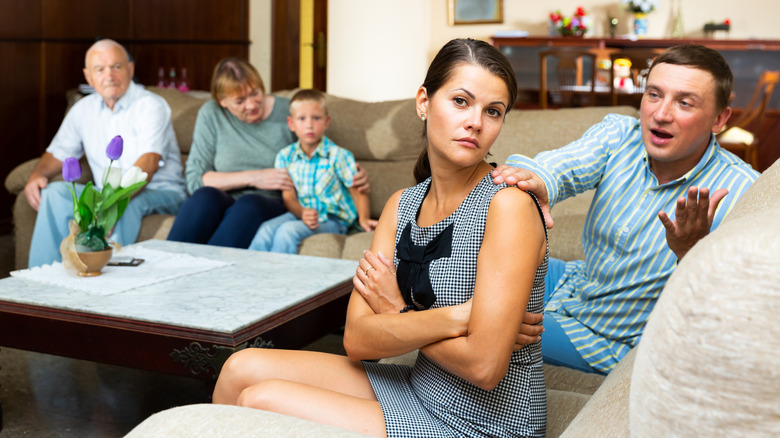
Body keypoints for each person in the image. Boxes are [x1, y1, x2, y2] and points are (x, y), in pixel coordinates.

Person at [212, 38, 549, 437]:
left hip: (484, 422)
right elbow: (356, 338)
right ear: (424, 102)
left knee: (259, 400)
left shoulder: (507, 206)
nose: (476, 121)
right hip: (421, 386)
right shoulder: (400, 205)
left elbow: (484, 366)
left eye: (493, 111)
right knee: (240, 368)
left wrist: (396, 313)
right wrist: (458, 317)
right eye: (461, 101)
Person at [492, 44, 760, 375]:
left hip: (612, 339)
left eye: (684, 102)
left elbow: (736, 309)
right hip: (575, 284)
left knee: (490, 326)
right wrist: (539, 180)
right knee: (469, 273)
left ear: (719, 119)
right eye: (654, 95)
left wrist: (691, 254)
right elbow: (562, 166)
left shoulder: (744, 192)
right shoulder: (620, 134)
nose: (661, 114)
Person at [166, 58, 369, 249]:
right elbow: (195, 180)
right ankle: (168, 265)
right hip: (225, 197)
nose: (252, 104)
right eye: (240, 101)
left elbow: (318, 154)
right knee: (203, 197)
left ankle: (211, 275)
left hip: (271, 201)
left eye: (255, 93)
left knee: (249, 204)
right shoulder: (211, 114)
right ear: (222, 101)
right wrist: (254, 177)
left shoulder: (287, 112)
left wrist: (354, 177)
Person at [24, 39, 185, 268]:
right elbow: (58, 152)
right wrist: (37, 174)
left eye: (116, 67)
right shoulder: (83, 109)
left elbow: (148, 162)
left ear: (131, 69)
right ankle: (41, 278)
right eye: (99, 69)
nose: (109, 75)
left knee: (123, 204)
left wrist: (113, 200)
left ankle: (109, 280)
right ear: (88, 76)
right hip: (105, 192)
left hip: (160, 191)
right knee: (55, 193)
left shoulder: (150, 105)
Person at [248, 89, 376, 254]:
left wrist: (364, 218)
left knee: (287, 231)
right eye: (302, 119)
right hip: (300, 214)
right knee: (265, 229)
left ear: (326, 122)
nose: (309, 125)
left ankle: (277, 278)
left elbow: (358, 191)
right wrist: (302, 213)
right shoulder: (285, 156)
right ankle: (251, 276)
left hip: (334, 220)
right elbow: (289, 197)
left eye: (316, 118)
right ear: (291, 124)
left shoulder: (339, 155)